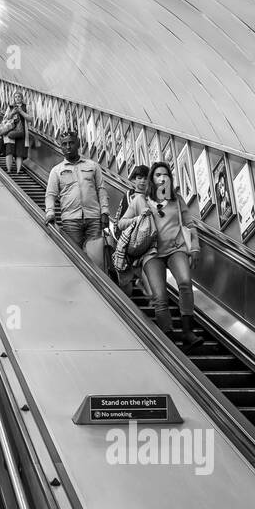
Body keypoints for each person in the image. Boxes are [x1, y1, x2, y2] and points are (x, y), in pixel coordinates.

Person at [118, 160, 203, 347]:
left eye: (165, 174)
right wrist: (139, 218)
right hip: (151, 253)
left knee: (185, 282)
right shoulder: (140, 200)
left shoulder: (176, 199)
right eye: (158, 175)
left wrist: (195, 248)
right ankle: (169, 337)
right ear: (152, 179)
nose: (162, 177)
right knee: (160, 296)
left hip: (176, 248)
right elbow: (121, 223)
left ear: (170, 178)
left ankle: (188, 332)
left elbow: (189, 224)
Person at [44, 130, 109, 267]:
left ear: (78, 144)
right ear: (61, 146)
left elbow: (101, 190)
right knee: (75, 259)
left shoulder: (92, 166)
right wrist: (50, 212)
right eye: (64, 144)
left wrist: (105, 212)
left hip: (94, 219)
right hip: (70, 220)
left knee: (96, 258)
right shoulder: (57, 170)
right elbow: (51, 194)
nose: (68, 147)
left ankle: (99, 286)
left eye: (71, 143)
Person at [110, 164, 151, 296]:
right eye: (139, 177)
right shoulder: (128, 197)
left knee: (144, 273)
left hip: (145, 243)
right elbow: (119, 220)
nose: (142, 181)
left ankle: (144, 288)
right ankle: (126, 305)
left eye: (146, 178)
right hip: (127, 242)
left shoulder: (152, 198)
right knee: (125, 280)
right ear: (133, 180)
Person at [0, 91, 31, 174]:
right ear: (14, 98)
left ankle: (18, 171)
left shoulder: (26, 107)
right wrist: (12, 112)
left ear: (22, 98)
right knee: (9, 151)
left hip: (22, 132)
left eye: (19, 97)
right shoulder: (10, 107)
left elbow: (30, 119)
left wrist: (21, 112)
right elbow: (6, 118)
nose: (17, 98)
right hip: (10, 131)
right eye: (16, 97)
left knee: (19, 152)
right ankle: (9, 170)